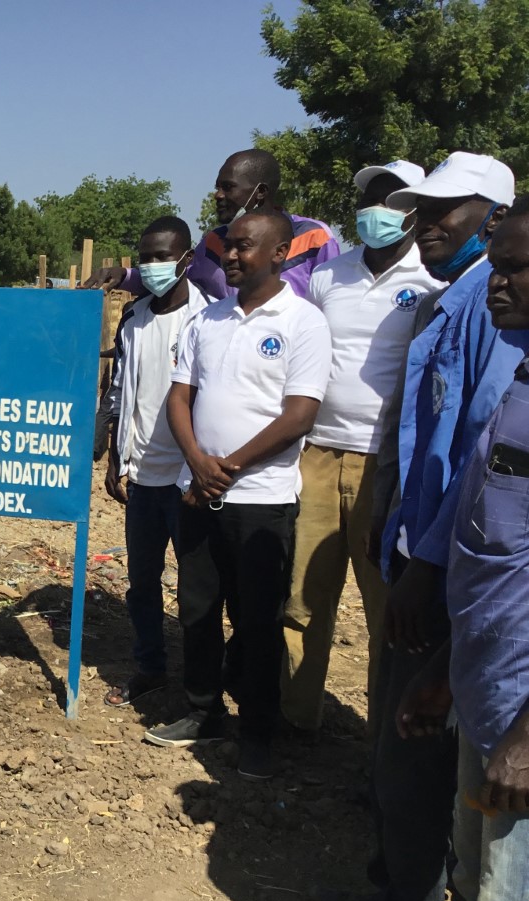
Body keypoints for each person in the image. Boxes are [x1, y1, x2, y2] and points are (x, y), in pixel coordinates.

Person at [315, 152, 520, 901]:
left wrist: (427, 562)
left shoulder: (491, 306)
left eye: (447, 210)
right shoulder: (451, 297)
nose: (424, 224)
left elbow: (481, 453)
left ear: (493, 215)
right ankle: (406, 900)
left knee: (416, 757)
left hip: (454, 573)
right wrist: (391, 513)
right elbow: (424, 431)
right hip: (420, 546)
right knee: (408, 750)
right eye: (419, 210)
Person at [143, 209, 332, 782]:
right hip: (197, 492)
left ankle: (257, 732)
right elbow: (180, 397)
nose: (230, 255)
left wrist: (230, 466)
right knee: (198, 610)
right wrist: (198, 463)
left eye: (245, 247)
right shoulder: (208, 320)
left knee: (257, 620)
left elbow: (300, 413)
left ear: (280, 253)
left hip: (262, 497)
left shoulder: (303, 323)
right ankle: (203, 712)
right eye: (228, 245)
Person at [395, 196, 529, 901]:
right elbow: (496, 559)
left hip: (521, 724)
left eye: (513, 269)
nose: (496, 283)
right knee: (478, 899)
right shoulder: (520, 384)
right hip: (487, 698)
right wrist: (447, 669)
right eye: (496, 265)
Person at [280, 161, 444, 737]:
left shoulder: (432, 281)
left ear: (416, 212)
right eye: (369, 200)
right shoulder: (331, 276)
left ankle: (382, 744)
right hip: (319, 454)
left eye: (391, 201)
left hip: (388, 464)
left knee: (384, 611)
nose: (376, 212)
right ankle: (297, 721)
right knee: (304, 600)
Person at [101, 215, 216, 707]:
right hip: (142, 474)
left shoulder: (211, 318)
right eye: (144, 256)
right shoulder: (134, 317)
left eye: (162, 257)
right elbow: (123, 387)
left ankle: (201, 685)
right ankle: (150, 667)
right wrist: (114, 456)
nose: (151, 266)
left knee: (197, 591)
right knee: (141, 582)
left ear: (187, 259)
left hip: (187, 477)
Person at [84, 149, 340, 301]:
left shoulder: (313, 237)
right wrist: (125, 276)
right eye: (217, 187)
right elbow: (173, 281)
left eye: (227, 187)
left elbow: (333, 306)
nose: (217, 195)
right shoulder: (214, 243)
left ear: (260, 192)